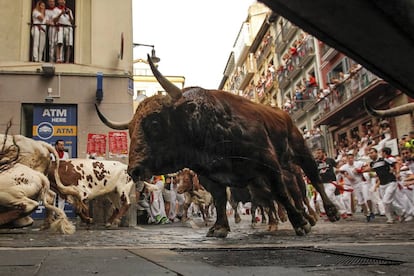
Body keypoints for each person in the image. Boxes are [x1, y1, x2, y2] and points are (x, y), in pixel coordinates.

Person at [367, 147, 403, 223]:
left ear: (376, 153)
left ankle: (399, 213)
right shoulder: (372, 164)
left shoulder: (384, 159)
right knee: (387, 202)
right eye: (369, 153)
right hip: (382, 185)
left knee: (386, 201)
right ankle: (392, 217)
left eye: (372, 152)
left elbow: (396, 164)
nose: (370, 155)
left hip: (391, 182)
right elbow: (375, 171)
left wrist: (398, 173)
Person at [339, 151, 375, 222]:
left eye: (352, 158)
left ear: (354, 158)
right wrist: (348, 176)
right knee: (361, 200)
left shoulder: (359, 163)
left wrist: (361, 170)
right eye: (349, 158)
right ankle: (366, 214)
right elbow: (341, 171)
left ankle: (371, 211)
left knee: (367, 197)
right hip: (354, 184)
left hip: (362, 182)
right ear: (347, 159)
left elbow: (368, 166)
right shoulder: (344, 167)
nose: (350, 160)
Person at [315, 148, 347, 219]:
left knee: (328, 196)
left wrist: (341, 169)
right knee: (320, 199)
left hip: (331, 182)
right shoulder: (316, 163)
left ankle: (327, 213)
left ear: (323, 153)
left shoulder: (330, 160)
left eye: (319, 153)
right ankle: (341, 212)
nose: (318, 155)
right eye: (317, 153)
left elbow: (338, 167)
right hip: (322, 184)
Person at [51, 139, 70, 210]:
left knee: (62, 196)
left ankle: (60, 213)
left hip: (62, 178)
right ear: (56, 146)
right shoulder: (52, 155)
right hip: (53, 178)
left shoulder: (66, 155)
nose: (62, 146)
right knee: (53, 195)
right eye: (61, 145)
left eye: (63, 145)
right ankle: (52, 213)